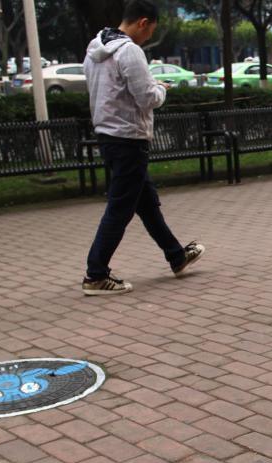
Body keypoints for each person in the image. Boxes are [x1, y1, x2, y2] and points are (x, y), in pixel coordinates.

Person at [82, 0, 204, 295]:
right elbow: (148, 98)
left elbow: (113, 91)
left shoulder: (94, 48)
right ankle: (95, 275)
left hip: (108, 136)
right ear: (143, 22)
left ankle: (176, 255)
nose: (149, 37)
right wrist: (160, 88)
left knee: (146, 204)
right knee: (120, 209)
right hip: (129, 139)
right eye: (151, 31)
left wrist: (150, 86)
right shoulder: (130, 51)